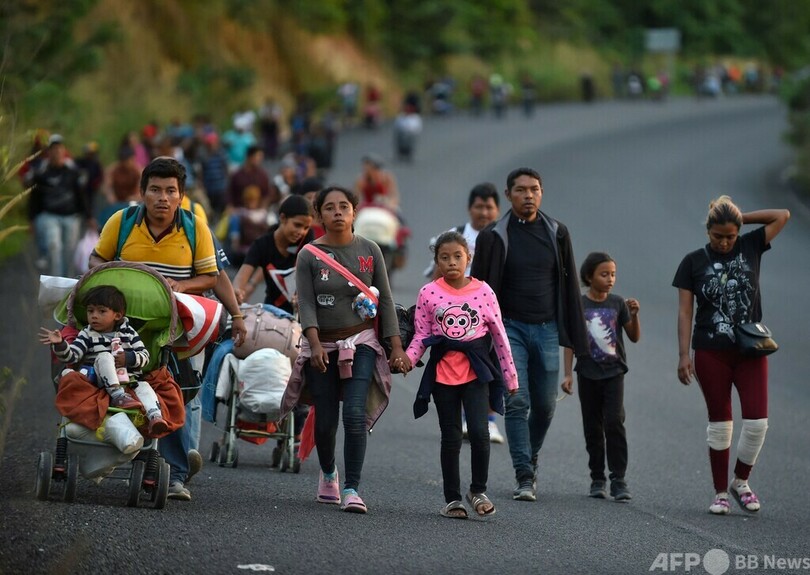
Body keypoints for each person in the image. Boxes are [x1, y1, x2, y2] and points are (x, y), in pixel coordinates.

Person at [90, 157, 243, 501]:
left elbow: (212, 276)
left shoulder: (195, 227)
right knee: (117, 384)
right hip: (125, 327)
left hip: (178, 330)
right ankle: (118, 452)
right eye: (155, 189)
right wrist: (116, 276)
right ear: (142, 193)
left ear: (181, 195)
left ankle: (175, 474)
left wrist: (182, 286)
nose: (163, 197)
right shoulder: (122, 221)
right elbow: (96, 261)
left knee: (175, 391)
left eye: (170, 191)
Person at [279, 186, 411, 514]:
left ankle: (352, 488)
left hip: (362, 342)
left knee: (354, 413)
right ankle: (328, 473)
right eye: (330, 208)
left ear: (354, 213)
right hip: (322, 344)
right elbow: (306, 302)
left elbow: (387, 301)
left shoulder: (370, 251)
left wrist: (396, 346)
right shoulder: (308, 254)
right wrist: (312, 343)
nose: (337, 213)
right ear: (319, 215)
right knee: (325, 420)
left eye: (344, 207)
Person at [471, 167, 588, 502]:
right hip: (510, 330)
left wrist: (576, 339)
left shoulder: (558, 233)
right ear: (508, 195)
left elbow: (570, 286)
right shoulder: (493, 236)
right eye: (520, 190)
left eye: (534, 189)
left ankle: (529, 455)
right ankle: (524, 474)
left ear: (542, 192)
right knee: (517, 401)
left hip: (548, 329)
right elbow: (478, 290)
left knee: (546, 406)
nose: (528, 195)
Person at [672, 196, 790, 515]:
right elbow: (685, 312)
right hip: (710, 351)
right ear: (707, 231)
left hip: (750, 350)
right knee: (720, 424)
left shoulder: (750, 245)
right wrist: (684, 355)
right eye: (718, 236)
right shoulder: (692, 262)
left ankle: (741, 481)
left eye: (730, 236)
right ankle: (720, 492)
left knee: (757, 423)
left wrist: (740, 218)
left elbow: (782, 213)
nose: (725, 242)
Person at [406, 231, 517, 519]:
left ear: (468, 258)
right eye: (445, 257)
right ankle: (452, 499)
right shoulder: (428, 293)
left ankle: (478, 490)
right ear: (437, 261)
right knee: (451, 437)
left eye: (458, 256)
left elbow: (499, 336)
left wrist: (510, 377)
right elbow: (421, 334)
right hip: (442, 375)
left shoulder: (484, 292)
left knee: (480, 433)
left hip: (476, 373)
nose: (452, 262)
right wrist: (406, 361)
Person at [424, 183, 504, 443]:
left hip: (487, 315)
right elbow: (436, 276)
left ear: (497, 209)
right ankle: (459, 417)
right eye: (479, 206)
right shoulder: (455, 235)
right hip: (453, 317)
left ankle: (488, 420)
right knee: (454, 364)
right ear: (470, 208)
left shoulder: (502, 236)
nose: (484, 212)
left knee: (489, 367)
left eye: (489, 207)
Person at [561, 252, 640, 501]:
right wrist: (567, 375)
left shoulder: (618, 303)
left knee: (614, 421)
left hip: (614, 372)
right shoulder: (580, 305)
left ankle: (619, 479)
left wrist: (634, 315)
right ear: (589, 276)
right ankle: (597, 478)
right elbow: (571, 343)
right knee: (592, 427)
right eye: (604, 274)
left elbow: (634, 337)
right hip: (587, 372)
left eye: (613, 274)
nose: (610, 279)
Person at [39, 285, 169, 436]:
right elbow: (72, 356)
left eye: (101, 311)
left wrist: (129, 358)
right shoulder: (87, 334)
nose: (94, 316)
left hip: (129, 380)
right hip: (100, 381)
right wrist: (60, 344)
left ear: (117, 315)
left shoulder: (128, 332)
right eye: (90, 311)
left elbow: (145, 356)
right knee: (105, 356)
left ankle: (155, 417)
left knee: (145, 386)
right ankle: (117, 395)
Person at [233, 194, 314, 310]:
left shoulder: (307, 241)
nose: (301, 232)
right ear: (282, 218)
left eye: (306, 228)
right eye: (297, 225)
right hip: (272, 314)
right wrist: (237, 291)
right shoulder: (262, 245)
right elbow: (241, 277)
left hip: (302, 314)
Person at [28, 134, 90, 276]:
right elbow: (34, 198)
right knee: (54, 247)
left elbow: (81, 195)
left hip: (71, 217)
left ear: (63, 151)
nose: (56, 152)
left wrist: (88, 216)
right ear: (48, 153)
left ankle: (67, 283)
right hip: (49, 216)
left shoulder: (72, 172)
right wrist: (31, 220)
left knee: (69, 251)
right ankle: (56, 283)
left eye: (59, 149)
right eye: (53, 149)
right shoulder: (41, 173)